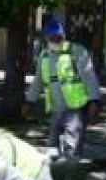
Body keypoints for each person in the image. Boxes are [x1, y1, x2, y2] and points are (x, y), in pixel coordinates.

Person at [25, 17, 101, 161]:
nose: (57, 41)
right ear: (46, 39)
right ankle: (56, 177)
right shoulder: (45, 56)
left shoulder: (77, 52)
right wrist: (30, 101)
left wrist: (94, 101)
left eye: (59, 37)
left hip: (75, 109)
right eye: (53, 38)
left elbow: (89, 77)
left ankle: (71, 178)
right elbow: (38, 81)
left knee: (71, 147)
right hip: (55, 109)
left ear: (64, 36)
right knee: (52, 147)